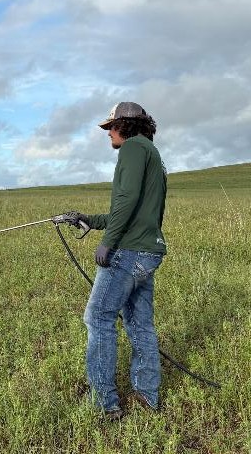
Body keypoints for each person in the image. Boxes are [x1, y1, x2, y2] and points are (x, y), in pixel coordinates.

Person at [69, 101, 167, 421]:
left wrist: (108, 241)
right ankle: (147, 395)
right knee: (140, 324)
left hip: (128, 252)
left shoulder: (133, 149)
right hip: (148, 252)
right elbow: (126, 210)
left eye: (111, 127)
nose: (108, 133)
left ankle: (105, 403)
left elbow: (125, 200)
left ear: (124, 126)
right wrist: (88, 219)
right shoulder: (149, 153)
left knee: (98, 318)